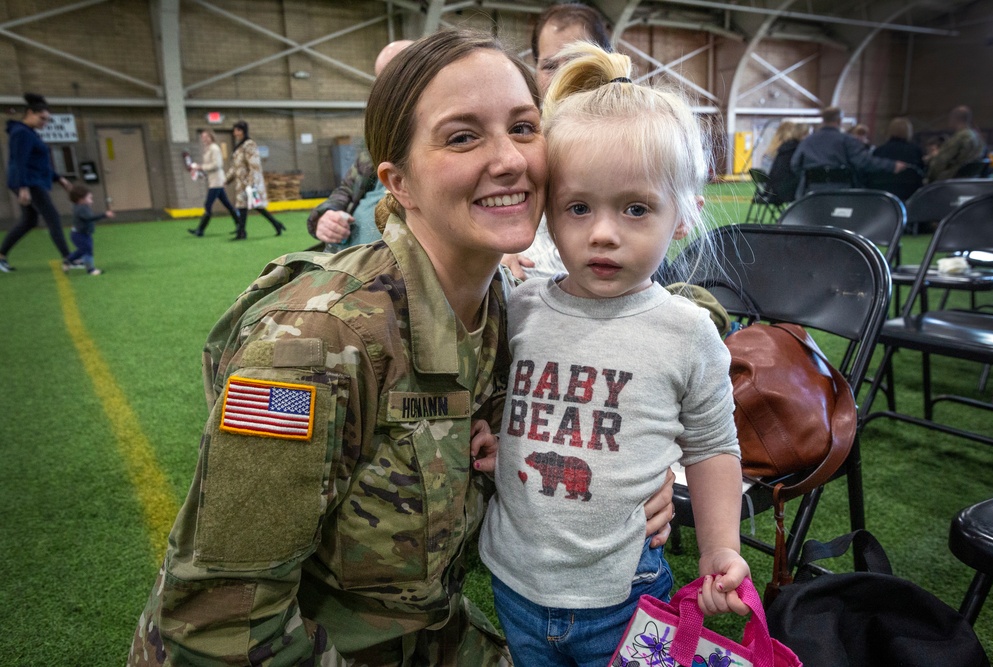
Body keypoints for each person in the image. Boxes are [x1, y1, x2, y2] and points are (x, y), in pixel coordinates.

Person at [129, 29, 674, 665]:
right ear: (399, 183)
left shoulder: (505, 307)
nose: (511, 160)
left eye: (524, 128)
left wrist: (630, 474)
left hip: (422, 632)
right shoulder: (314, 346)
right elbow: (216, 626)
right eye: (463, 136)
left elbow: (665, 319)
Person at [476, 42, 750, 667]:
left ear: (682, 215)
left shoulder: (687, 333)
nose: (603, 232)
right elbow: (500, 404)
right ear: (547, 213)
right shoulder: (520, 308)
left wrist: (719, 548)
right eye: (579, 207)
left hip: (624, 594)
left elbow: (712, 447)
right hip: (514, 583)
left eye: (635, 208)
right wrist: (492, 435)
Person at [501, 1, 613, 281]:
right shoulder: (520, 137)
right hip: (531, 282)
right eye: (550, 65)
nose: (563, 75)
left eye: (576, 62)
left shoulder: (633, 137)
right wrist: (501, 245)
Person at [306, 39, 413, 251]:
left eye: (403, 72)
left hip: (387, 273)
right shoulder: (378, 137)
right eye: (384, 79)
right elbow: (346, 189)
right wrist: (326, 216)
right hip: (342, 259)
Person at [1, 93, 74, 273]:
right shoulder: (21, 133)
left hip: (32, 181)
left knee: (29, 221)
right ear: (30, 113)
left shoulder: (30, 133)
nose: (45, 123)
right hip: (29, 183)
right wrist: (23, 187)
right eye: (42, 118)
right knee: (53, 218)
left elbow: (39, 163)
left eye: (47, 120)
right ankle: (69, 258)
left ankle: (1, 255)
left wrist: (59, 178)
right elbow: (20, 161)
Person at [790, 106, 908, 198]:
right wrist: (892, 165)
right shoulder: (847, 140)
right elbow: (863, 162)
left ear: (823, 120)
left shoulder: (807, 141)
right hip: (841, 193)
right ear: (839, 120)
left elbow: (795, 164)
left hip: (811, 193)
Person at [226, 120, 286, 239]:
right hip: (240, 184)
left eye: (237, 130)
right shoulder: (239, 147)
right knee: (243, 207)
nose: (235, 133)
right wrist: (226, 179)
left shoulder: (249, 145)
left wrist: (251, 183)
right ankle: (242, 232)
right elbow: (235, 167)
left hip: (249, 183)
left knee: (256, 207)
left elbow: (254, 165)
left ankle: (275, 224)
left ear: (243, 131)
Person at [187, 128, 241, 237]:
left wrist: (200, 167)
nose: (204, 139)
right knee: (228, 205)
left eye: (206, 137)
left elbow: (217, 165)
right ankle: (240, 224)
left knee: (208, 205)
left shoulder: (214, 148)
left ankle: (200, 230)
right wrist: (202, 171)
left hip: (217, 181)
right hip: (213, 181)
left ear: (211, 137)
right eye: (202, 137)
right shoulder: (208, 149)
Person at [868, 116, 925, 201]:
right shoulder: (915, 151)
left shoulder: (878, 151)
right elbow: (920, 173)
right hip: (909, 196)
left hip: (882, 196)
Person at [926, 105, 986, 182]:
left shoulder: (959, 138)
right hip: (971, 181)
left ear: (954, 118)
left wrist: (929, 179)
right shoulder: (977, 138)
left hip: (951, 181)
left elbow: (940, 162)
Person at [65, 184, 113, 276]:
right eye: (89, 198)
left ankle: (68, 260)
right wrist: (104, 215)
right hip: (79, 234)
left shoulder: (81, 206)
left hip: (83, 234)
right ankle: (90, 269)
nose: (92, 201)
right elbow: (89, 218)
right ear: (81, 199)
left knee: (84, 250)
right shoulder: (81, 208)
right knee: (87, 251)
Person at [764, 121, 809, 204]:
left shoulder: (783, 148)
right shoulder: (797, 149)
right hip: (786, 191)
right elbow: (796, 168)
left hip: (773, 189)